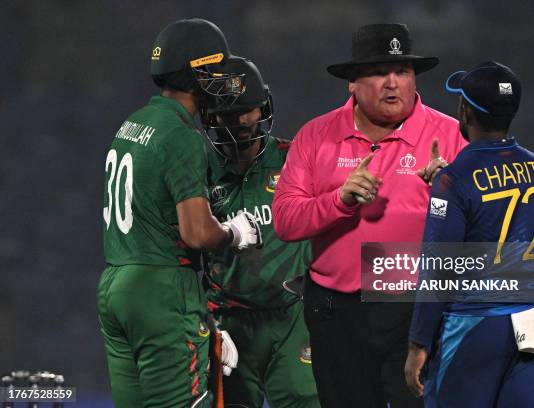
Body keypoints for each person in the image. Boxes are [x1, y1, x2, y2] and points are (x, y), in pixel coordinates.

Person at [272, 23, 466, 407]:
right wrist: (339, 200)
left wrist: (451, 194)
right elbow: (286, 221)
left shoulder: (453, 135)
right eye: (379, 72)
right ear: (352, 83)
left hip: (417, 312)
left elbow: (489, 231)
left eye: (402, 72)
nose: (392, 83)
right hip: (337, 313)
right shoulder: (315, 136)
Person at [97, 19, 262, 408]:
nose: (222, 80)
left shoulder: (133, 123)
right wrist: (233, 232)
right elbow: (197, 233)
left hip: (115, 285)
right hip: (162, 288)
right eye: (216, 70)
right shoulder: (182, 135)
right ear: (196, 74)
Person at [405, 61, 534, 407]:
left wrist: (419, 343)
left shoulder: (454, 180)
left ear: (465, 112)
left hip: (474, 327)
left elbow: (438, 268)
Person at [201, 57, 320, 408]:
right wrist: (202, 320)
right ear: (210, 116)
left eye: (249, 110)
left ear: (264, 107)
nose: (241, 121)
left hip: (292, 317)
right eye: (229, 112)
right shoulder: (196, 171)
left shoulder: (295, 158)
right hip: (229, 321)